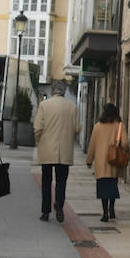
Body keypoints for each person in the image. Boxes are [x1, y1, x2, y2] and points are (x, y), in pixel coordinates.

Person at [34, 82, 80, 223]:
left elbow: (38, 127)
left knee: (46, 181)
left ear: (53, 91)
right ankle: (59, 204)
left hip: (47, 148)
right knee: (61, 181)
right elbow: (77, 128)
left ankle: (45, 212)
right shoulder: (72, 107)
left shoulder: (44, 105)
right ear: (64, 91)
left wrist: (39, 141)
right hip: (64, 150)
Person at [85, 103, 127, 222]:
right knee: (112, 185)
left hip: (101, 162)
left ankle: (105, 213)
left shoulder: (97, 126)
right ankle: (112, 209)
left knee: (103, 187)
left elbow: (92, 145)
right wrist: (126, 151)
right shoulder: (119, 126)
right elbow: (125, 143)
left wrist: (89, 160)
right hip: (113, 160)